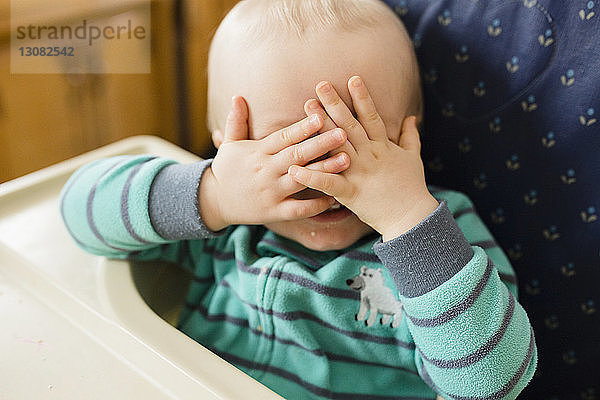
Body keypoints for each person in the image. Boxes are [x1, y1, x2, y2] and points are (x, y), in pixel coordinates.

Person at [59, 0, 537, 398]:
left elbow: (494, 385)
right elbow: (79, 213)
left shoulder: (440, 236)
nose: (321, 177)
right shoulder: (228, 224)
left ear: (411, 140)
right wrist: (215, 194)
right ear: (229, 146)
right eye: (283, 150)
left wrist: (407, 217)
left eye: (355, 145)